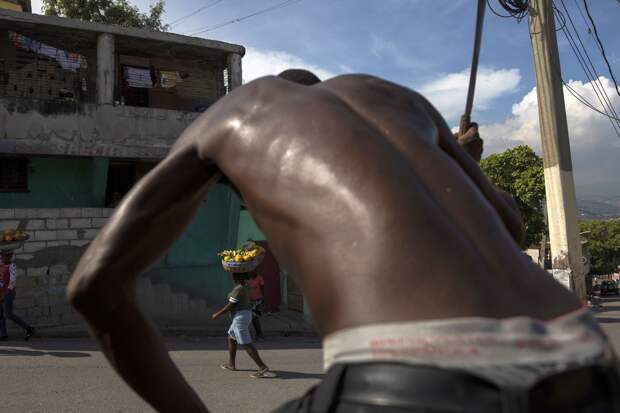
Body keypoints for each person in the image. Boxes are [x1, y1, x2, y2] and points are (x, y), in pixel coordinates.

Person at [66, 69, 620, 413]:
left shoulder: (231, 114)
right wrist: (465, 164)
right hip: (580, 350)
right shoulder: (396, 97)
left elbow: (92, 285)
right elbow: (510, 224)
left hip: (412, 373)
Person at [212, 272, 269, 378]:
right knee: (231, 338)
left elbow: (230, 305)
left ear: (236, 277)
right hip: (244, 314)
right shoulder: (246, 286)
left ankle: (262, 366)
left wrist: (217, 314)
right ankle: (231, 364)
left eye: (233, 276)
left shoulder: (239, 288)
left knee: (246, 343)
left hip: (240, 317)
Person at [0, 251, 35, 341]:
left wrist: (5, 293)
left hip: (8, 293)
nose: (3, 258)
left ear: (10, 257)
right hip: (1, 293)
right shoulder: (1, 266)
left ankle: (29, 328)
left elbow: (12, 282)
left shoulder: (12, 266)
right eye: (2, 256)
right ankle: (3, 335)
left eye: (6, 256)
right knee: (0, 315)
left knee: (8, 314)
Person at [247, 270, 266, 340]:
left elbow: (262, 288)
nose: (252, 272)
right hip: (248, 300)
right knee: (250, 317)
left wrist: (263, 299)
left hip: (257, 300)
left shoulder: (259, 277)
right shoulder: (246, 278)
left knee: (254, 317)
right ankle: (258, 334)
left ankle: (259, 333)